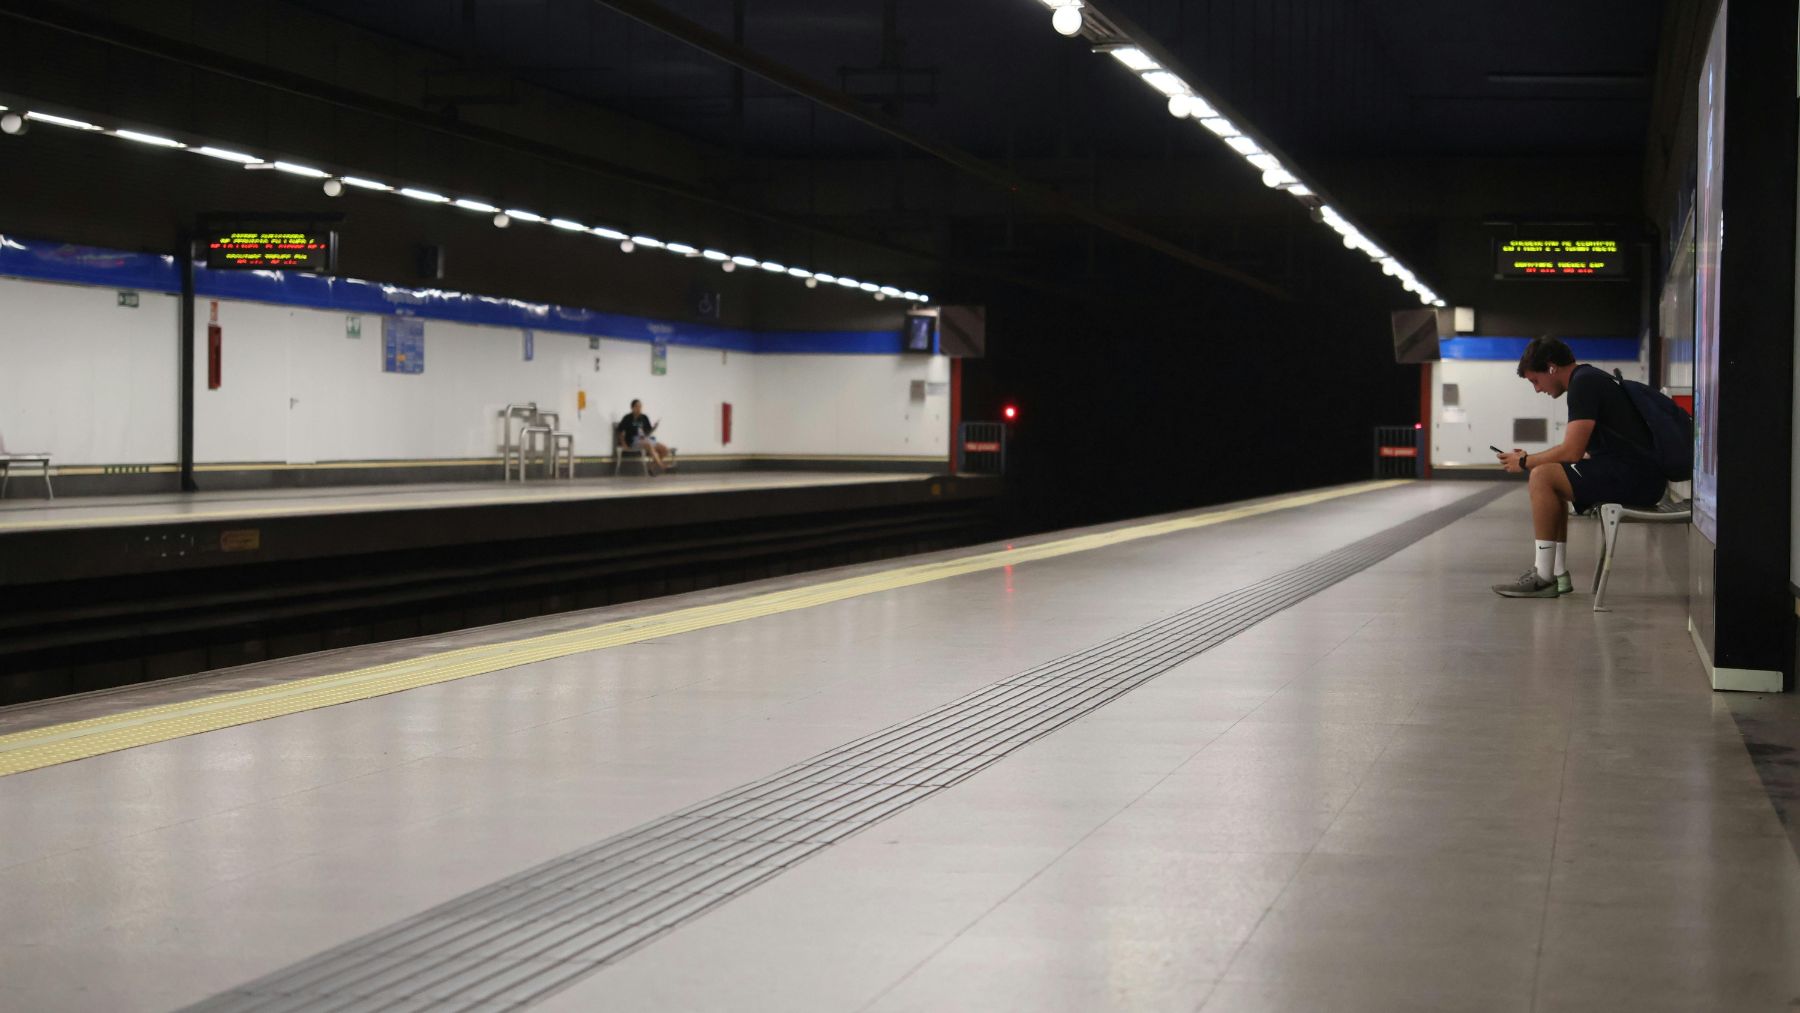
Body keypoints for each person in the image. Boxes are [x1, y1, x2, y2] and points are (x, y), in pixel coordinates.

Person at [1491, 337, 1666, 598]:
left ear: (1551, 367)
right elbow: (1581, 450)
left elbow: (1571, 451)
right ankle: (1557, 573)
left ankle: (1543, 576)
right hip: (1638, 475)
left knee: (1542, 476)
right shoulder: (1589, 378)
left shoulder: (1584, 384)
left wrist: (1526, 462)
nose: (1537, 389)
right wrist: (1537, 458)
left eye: (1535, 381)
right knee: (1552, 474)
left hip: (1636, 479)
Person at [618, 398, 676, 474]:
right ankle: (662, 466)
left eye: (640, 407)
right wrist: (624, 444)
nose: (639, 408)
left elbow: (648, 432)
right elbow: (620, 431)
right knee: (648, 445)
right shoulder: (627, 418)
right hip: (633, 441)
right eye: (637, 406)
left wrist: (654, 428)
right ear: (632, 408)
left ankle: (651, 467)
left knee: (664, 449)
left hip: (645, 439)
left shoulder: (644, 417)